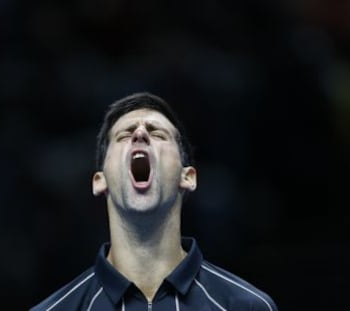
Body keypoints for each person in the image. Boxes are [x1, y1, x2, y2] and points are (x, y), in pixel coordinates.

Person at [30, 92, 278, 311]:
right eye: (124, 135)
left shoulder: (246, 306)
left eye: (158, 134)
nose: (139, 134)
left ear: (188, 177)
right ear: (100, 181)